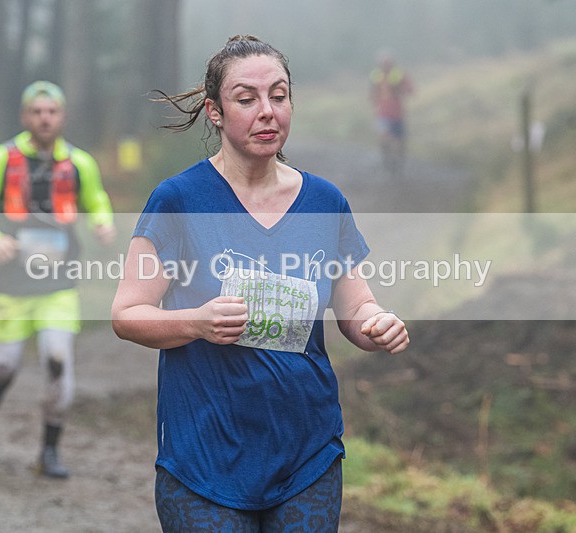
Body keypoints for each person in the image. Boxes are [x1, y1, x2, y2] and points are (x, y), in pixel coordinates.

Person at [111, 35, 409, 531]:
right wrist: (198, 322)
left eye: (279, 95)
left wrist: (378, 324)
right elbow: (127, 314)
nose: (267, 111)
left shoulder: (324, 201)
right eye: (246, 99)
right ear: (215, 111)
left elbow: (358, 308)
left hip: (306, 452)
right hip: (204, 457)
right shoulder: (178, 200)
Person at [0, 81, 116, 478]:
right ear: (25, 116)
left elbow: (97, 200)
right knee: (3, 365)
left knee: (58, 361)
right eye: (37, 111)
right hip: (11, 285)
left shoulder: (80, 163)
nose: (45, 118)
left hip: (59, 285)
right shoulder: (0, 159)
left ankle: (49, 451)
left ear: (62, 116)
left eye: (52, 111)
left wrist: (103, 223)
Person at [369, 51, 414, 178]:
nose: (385, 65)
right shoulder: (376, 75)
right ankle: (388, 163)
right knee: (384, 138)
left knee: (400, 141)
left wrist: (399, 90)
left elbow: (410, 89)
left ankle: (398, 164)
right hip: (383, 114)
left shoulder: (399, 74)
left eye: (387, 62)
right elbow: (372, 92)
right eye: (383, 63)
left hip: (397, 114)